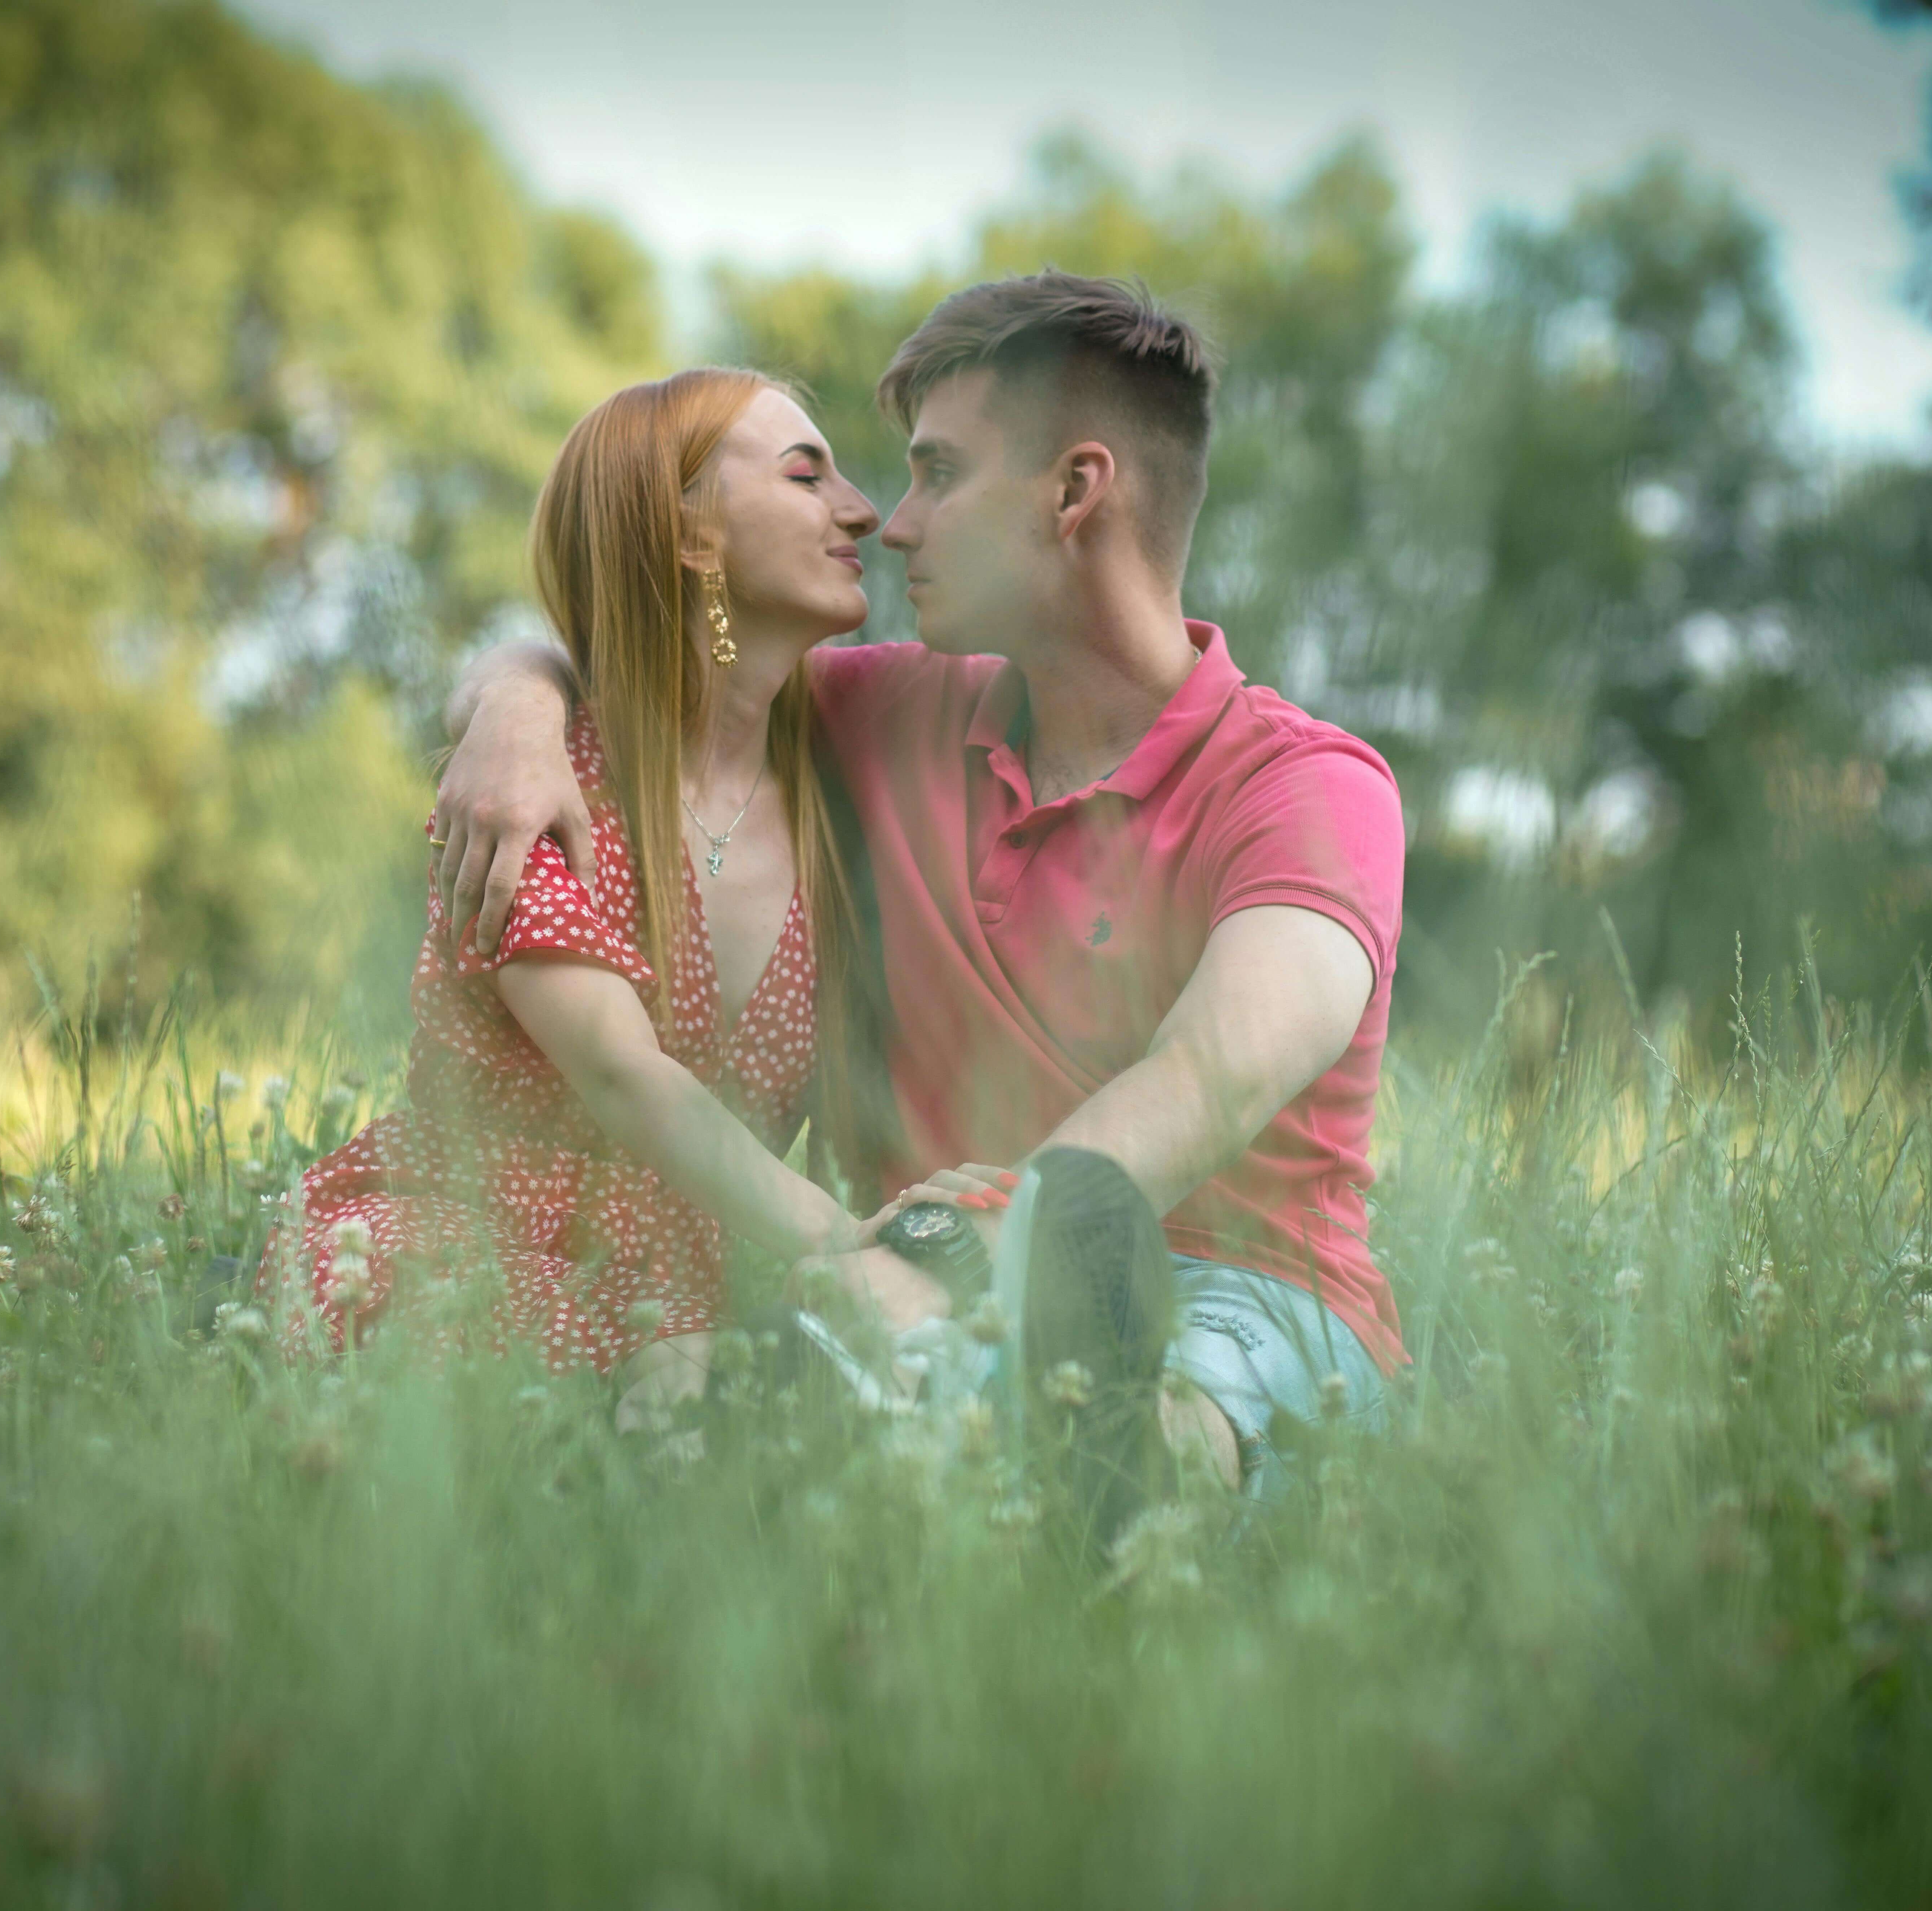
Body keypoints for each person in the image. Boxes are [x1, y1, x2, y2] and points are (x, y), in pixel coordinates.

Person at [433, 274, 1406, 1527]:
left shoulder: (1307, 788)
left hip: (1240, 1284)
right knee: (737, 1404)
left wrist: (959, 1251)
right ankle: (975, 1462)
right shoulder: (878, 717)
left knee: (1201, 1392)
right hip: (917, 1298)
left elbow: (1206, 1078)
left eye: (940, 474)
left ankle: (1121, 1478)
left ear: (1075, 492)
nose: (892, 525)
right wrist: (512, 706)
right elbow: (644, 639)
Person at [259, 368, 918, 1433]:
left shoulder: (844, 794)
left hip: (699, 1285)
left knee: (726, 1370)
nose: (862, 510)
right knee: (665, 1367)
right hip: (463, 1245)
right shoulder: (543, 790)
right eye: (809, 476)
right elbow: (623, 1073)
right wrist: (858, 1252)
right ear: (693, 535)